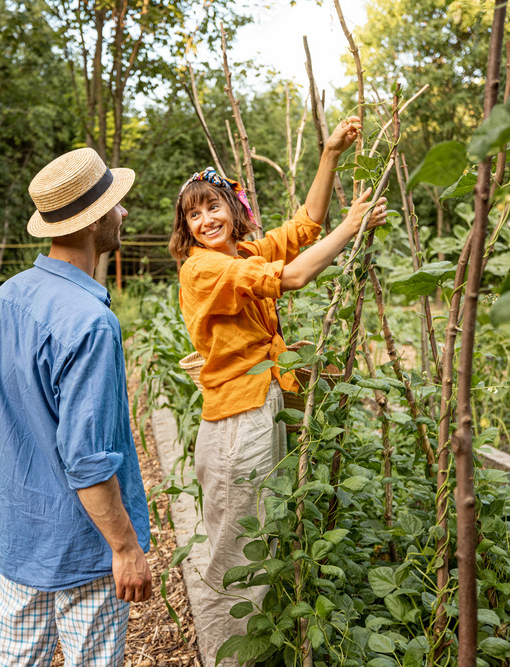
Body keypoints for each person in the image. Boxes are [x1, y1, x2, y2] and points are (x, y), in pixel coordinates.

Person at [167, 117, 388, 666]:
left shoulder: (241, 254)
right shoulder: (204, 269)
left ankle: (250, 652)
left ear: (232, 209)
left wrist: (330, 153)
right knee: (236, 544)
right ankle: (224, 654)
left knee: (262, 530)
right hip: (234, 421)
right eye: (193, 214)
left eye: (212, 206)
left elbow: (305, 225)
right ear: (186, 228)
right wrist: (353, 228)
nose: (205, 219)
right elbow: (292, 276)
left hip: (260, 406)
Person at [0, 147, 152, 667]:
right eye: (116, 205)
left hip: (20, 534)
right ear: (94, 220)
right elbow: (86, 458)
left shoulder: (5, 298)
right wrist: (124, 548)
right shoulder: (89, 321)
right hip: (84, 545)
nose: (123, 213)